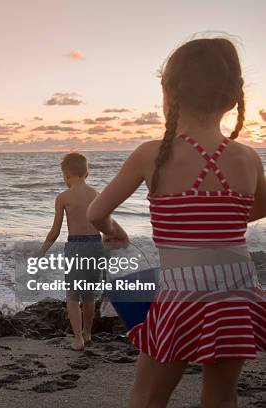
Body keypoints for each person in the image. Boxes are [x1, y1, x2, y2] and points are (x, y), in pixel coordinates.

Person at [87, 38, 266, 408]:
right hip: (237, 291)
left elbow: (95, 212)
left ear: (168, 93)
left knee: (148, 395)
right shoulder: (248, 158)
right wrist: (216, 221)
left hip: (181, 294)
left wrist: (112, 230)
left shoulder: (152, 154)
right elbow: (256, 209)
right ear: (233, 98)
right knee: (221, 396)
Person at [38, 152, 128, 350]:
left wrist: (41, 252)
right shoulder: (96, 194)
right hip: (96, 245)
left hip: (76, 246)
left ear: (67, 173)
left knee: (72, 296)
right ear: (86, 172)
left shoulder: (63, 197)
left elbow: (54, 232)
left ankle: (77, 339)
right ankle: (88, 334)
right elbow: (106, 225)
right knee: (89, 295)